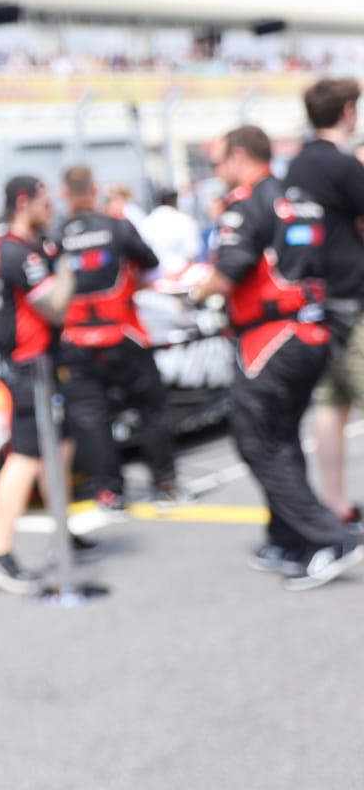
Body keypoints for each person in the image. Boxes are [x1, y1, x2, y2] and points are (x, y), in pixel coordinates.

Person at [192, 126, 362, 589]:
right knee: (281, 438)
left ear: (240, 156)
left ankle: (330, 538)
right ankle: (289, 540)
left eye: (220, 161)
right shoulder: (299, 199)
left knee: (257, 441)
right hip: (309, 332)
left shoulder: (246, 204)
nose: (218, 171)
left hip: (270, 339)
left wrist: (192, 290)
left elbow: (227, 274)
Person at [0, 176, 76, 594]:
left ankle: (61, 533)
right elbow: (54, 307)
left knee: (60, 447)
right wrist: (70, 265)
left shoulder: (13, 247)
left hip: (39, 364)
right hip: (29, 366)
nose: (49, 209)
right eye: (43, 202)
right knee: (27, 456)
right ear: (22, 202)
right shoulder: (16, 250)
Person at [55, 166, 180, 511]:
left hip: (76, 340)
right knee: (151, 407)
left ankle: (109, 491)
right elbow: (151, 264)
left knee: (91, 417)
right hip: (122, 333)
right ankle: (165, 482)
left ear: (63, 193)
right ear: (94, 189)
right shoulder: (117, 225)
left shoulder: (54, 235)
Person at [282, 78, 364, 532]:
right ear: (348, 112)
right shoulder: (343, 165)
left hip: (314, 301)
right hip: (353, 296)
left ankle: (336, 505)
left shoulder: (296, 166)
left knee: (332, 405)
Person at [138, 189, 201, 276]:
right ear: (175, 201)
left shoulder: (146, 222)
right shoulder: (184, 220)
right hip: (181, 276)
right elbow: (192, 252)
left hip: (153, 276)